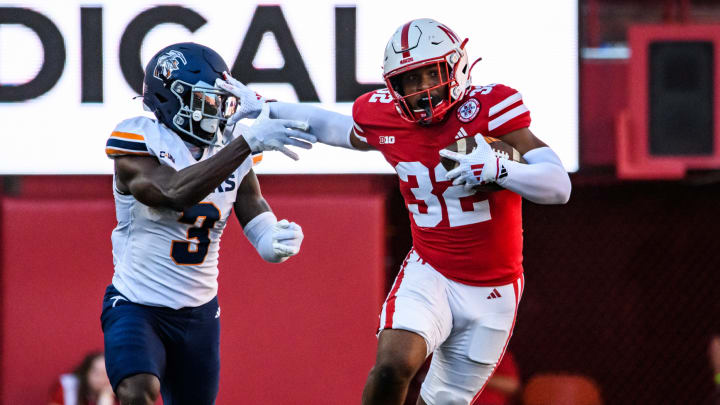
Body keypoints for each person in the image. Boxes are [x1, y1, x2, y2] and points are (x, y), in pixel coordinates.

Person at [218, 18, 571, 405]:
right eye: (409, 81)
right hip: (431, 269)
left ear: (454, 65)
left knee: (444, 401)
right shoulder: (385, 115)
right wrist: (270, 108)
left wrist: (501, 169)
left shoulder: (491, 108)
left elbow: (558, 186)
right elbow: (333, 127)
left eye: (428, 75)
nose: (421, 91)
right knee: (393, 363)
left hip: (494, 288)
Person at [100, 42, 315, 405]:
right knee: (137, 392)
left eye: (218, 99)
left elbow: (250, 203)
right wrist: (244, 144)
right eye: (205, 99)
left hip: (200, 314)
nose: (216, 109)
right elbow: (172, 191)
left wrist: (270, 237)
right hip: (137, 304)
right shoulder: (140, 140)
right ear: (173, 100)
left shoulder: (230, 145)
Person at [48, 351, 117, 405]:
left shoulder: (121, 394)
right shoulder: (68, 388)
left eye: (107, 374)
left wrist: (106, 397)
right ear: (86, 373)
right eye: (97, 373)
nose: (102, 379)